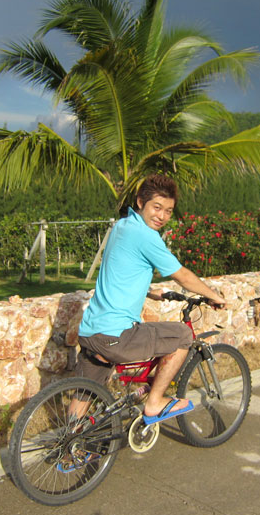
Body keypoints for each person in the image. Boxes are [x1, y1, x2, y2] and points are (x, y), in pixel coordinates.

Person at [75, 173, 226, 426]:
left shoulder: (122, 226)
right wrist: (214, 295)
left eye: (168, 211)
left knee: (84, 395)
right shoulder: (146, 236)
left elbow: (120, 272)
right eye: (157, 207)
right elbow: (182, 276)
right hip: (116, 334)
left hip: (91, 330)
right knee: (182, 335)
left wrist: (148, 291)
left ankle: (69, 440)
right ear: (140, 202)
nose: (162, 216)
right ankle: (155, 401)